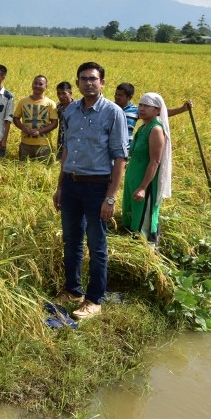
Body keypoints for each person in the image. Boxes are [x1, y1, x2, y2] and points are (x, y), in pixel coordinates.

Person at [52, 62, 128, 321]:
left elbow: (120, 158)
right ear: (78, 83)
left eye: (93, 79)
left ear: (102, 82)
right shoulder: (71, 111)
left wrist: (110, 197)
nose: (88, 83)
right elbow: (67, 152)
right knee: (71, 240)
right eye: (83, 79)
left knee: (96, 245)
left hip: (98, 187)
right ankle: (73, 291)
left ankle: (94, 299)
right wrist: (60, 186)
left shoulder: (113, 113)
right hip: (72, 184)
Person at [122, 93, 172, 245]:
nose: (141, 109)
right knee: (132, 215)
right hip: (134, 178)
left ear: (157, 111)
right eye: (140, 105)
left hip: (145, 182)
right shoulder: (143, 127)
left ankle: (147, 251)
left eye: (146, 106)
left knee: (143, 219)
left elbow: (155, 161)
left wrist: (143, 187)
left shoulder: (155, 129)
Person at [13, 75, 58, 161]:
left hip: (44, 145)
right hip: (25, 144)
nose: (37, 86)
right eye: (35, 83)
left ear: (46, 87)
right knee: (23, 169)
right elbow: (16, 118)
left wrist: (39, 131)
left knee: (44, 169)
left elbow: (54, 123)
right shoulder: (23, 101)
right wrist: (23, 127)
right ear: (32, 85)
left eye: (40, 84)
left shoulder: (50, 103)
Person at [55, 81, 74, 160]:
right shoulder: (58, 107)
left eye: (64, 93)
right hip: (61, 142)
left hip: (73, 142)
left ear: (70, 93)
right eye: (58, 94)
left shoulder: (77, 107)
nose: (61, 96)